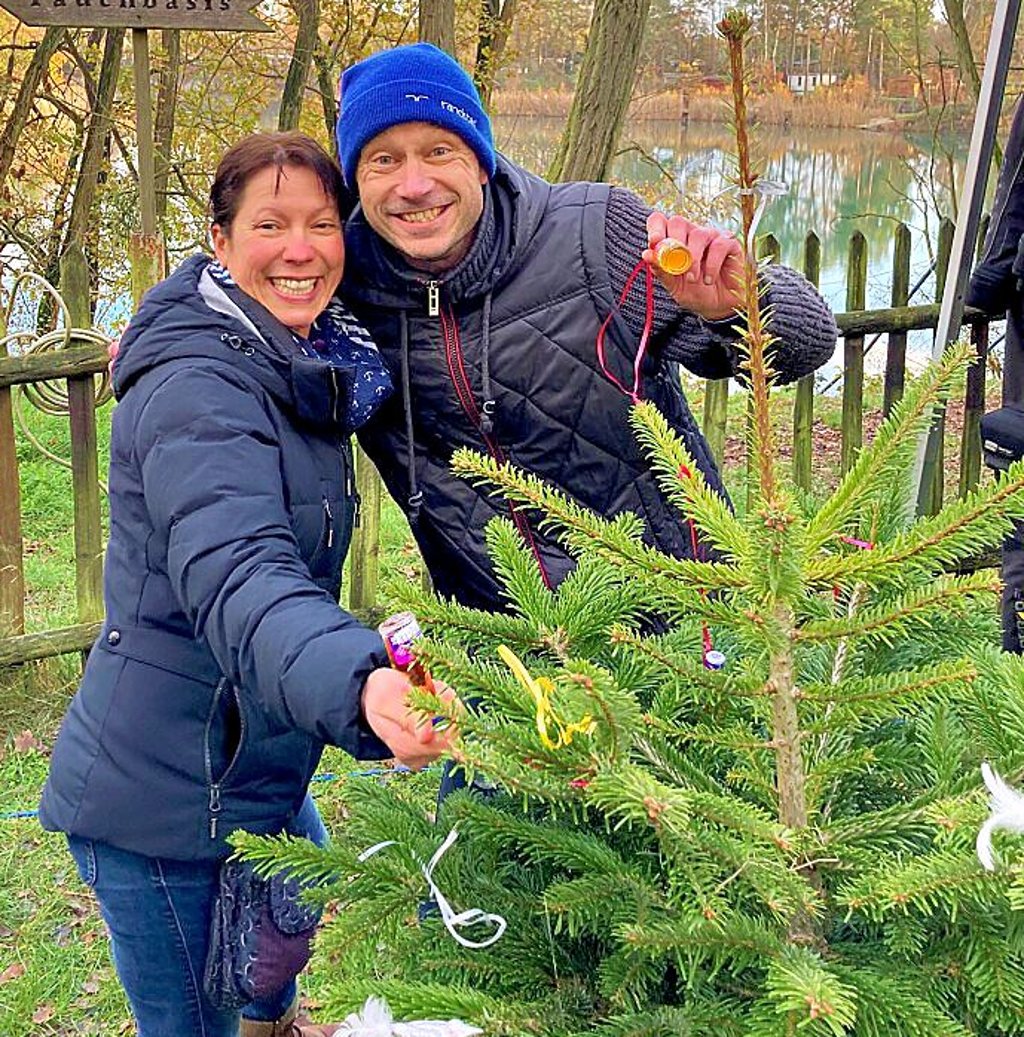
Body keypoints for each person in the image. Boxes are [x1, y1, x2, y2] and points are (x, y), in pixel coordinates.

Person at [39, 132, 455, 1037]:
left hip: (250, 763)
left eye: (320, 222)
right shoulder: (200, 385)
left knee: (273, 955)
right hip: (161, 805)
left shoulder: (307, 361)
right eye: (269, 224)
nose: (300, 249)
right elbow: (240, 572)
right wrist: (358, 679)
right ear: (220, 245)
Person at [335, 43, 839, 616]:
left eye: (440, 150)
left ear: (479, 159)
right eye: (383, 160)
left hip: (677, 620)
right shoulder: (340, 289)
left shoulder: (594, 233)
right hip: (504, 649)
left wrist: (735, 304)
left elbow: (806, 345)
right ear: (355, 177)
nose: (414, 184)